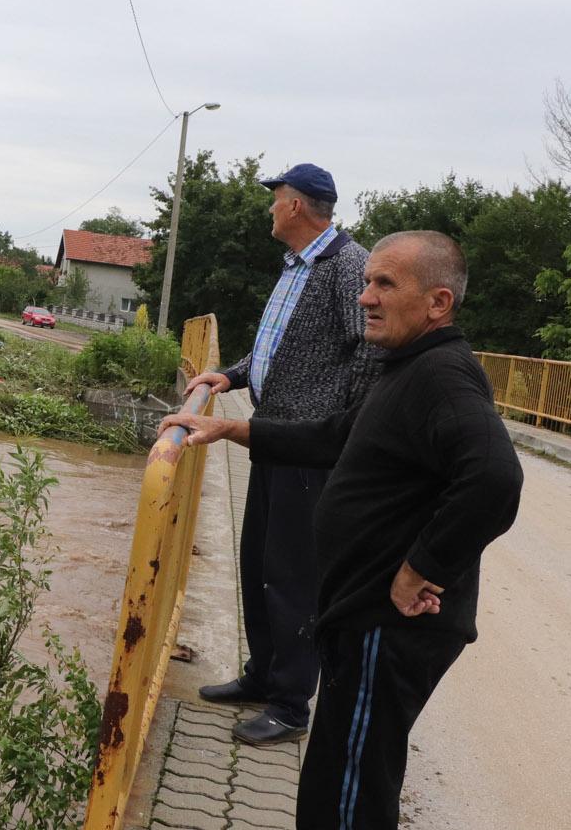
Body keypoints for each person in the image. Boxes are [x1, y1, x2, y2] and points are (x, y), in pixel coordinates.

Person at [162, 230, 522, 830]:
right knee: (336, 770)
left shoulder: (443, 376)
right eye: (366, 282)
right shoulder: (404, 366)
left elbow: (494, 481)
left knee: (353, 784)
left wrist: (421, 569)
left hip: (390, 625)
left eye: (385, 284)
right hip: (361, 618)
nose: (365, 297)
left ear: (438, 303)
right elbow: (334, 435)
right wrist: (231, 431)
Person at [185, 163, 375, 746]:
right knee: (260, 564)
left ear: (295, 206)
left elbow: (368, 348)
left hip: (309, 449)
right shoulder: (297, 265)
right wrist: (230, 375)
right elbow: (275, 347)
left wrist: (337, 423)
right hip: (272, 437)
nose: (269, 210)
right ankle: (262, 676)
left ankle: (292, 704)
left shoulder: (348, 266)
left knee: (293, 575)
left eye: (275, 201)